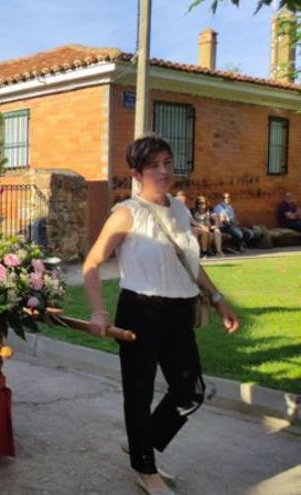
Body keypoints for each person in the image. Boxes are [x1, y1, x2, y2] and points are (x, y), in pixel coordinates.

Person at [82, 136, 239, 495]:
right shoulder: (126, 213)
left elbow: (190, 263)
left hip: (180, 311)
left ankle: (142, 442)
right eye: (154, 165)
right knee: (138, 393)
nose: (164, 171)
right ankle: (144, 467)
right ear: (137, 173)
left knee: (190, 391)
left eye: (167, 162)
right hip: (141, 310)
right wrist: (99, 311)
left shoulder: (180, 209)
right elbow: (91, 264)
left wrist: (217, 299)